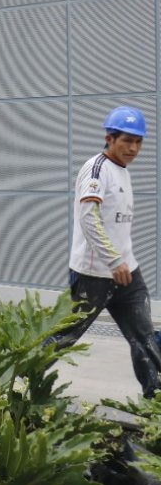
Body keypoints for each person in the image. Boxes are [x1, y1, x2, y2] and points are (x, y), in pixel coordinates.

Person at [49, 106, 161, 399]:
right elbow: (88, 216)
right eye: (127, 141)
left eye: (138, 142)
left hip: (127, 274)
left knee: (145, 337)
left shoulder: (122, 171)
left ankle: (155, 399)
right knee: (64, 337)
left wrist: (123, 262)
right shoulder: (96, 169)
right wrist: (113, 260)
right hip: (93, 275)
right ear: (109, 139)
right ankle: (13, 382)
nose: (133, 148)